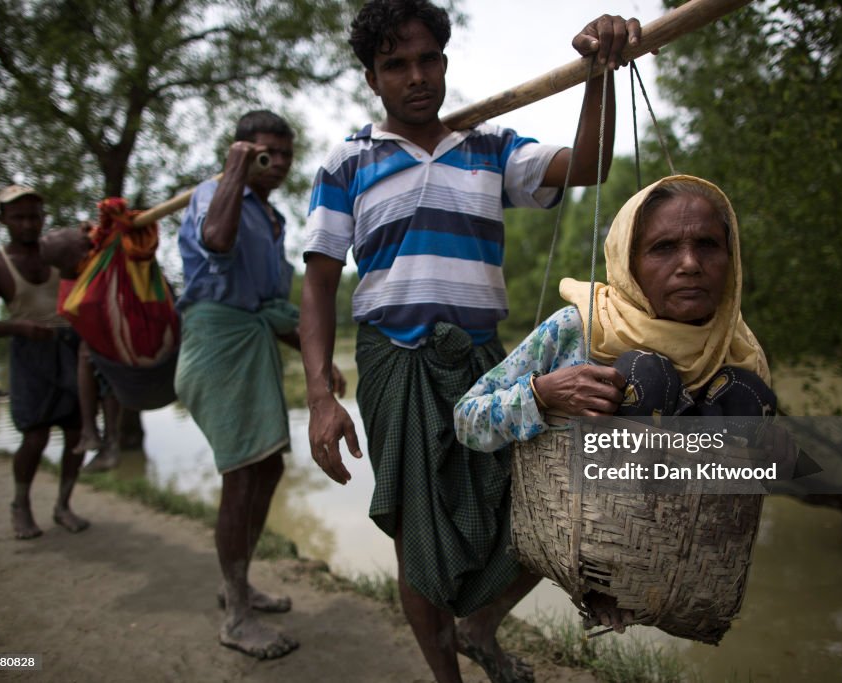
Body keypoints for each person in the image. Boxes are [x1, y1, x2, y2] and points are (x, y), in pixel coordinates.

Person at [300, 2, 641, 681]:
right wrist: (319, 395)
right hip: (394, 362)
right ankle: (448, 675)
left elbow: (591, 165)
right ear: (372, 79)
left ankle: (479, 623)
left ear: (446, 64)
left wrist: (596, 73)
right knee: (418, 538)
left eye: (428, 59)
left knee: (534, 509)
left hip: (486, 364)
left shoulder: (492, 148)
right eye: (396, 65)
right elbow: (316, 285)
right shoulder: (347, 162)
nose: (416, 76)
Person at [453, 174, 777, 632]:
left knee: (750, 398)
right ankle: (606, 584)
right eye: (663, 248)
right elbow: (467, 419)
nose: (690, 264)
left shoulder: (738, 346)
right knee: (646, 375)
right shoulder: (579, 327)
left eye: (708, 245)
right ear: (629, 262)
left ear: (732, 258)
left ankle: (667, 592)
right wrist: (543, 394)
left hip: (678, 562)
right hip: (584, 533)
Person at [173, 110, 345, 661]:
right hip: (216, 347)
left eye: (285, 155)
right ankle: (236, 618)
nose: (278, 164)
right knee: (242, 474)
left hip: (252, 344)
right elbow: (217, 242)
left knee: (267, 466)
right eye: (264, 152)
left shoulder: (273, 221)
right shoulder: (213, 194)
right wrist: (233, 173)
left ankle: (238, 583)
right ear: (241, 150)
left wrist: (320, 365)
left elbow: (272, 306)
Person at [0, 185, 90, 540]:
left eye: (34, 216)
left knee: (76, 435)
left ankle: (63, 504)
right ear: (3, 220)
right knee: (34, 436)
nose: (27, 224)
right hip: (29, 354)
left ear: (43, 218)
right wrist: (17, 327)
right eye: (18, 217)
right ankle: (20, 504)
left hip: (69, 347)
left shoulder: (61, 255)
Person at [39, 225, 123, 471]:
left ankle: (94, 432)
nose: (83, 233)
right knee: (94, 365)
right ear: (81, 250)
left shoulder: (74, 275)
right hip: (109, 341)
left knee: (92, 363)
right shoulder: (84, 276)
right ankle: (101, 435)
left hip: (107, 342)